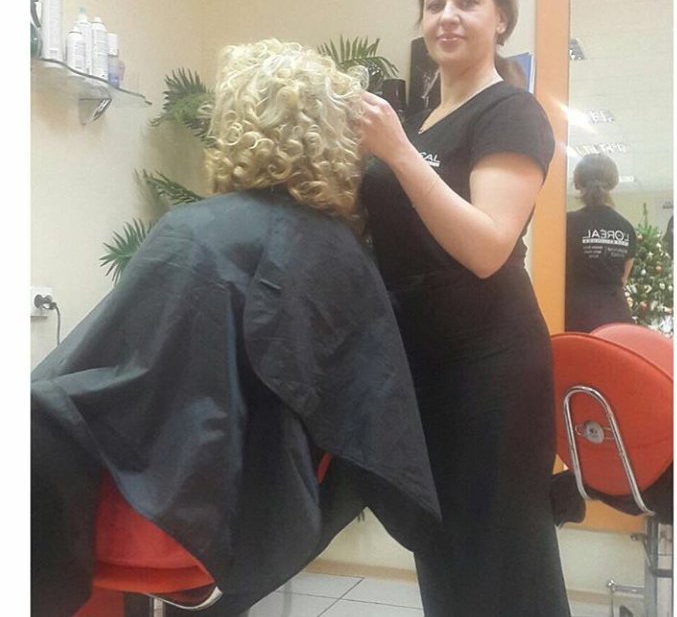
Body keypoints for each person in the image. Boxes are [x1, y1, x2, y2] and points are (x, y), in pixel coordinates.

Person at [31, 40, 440, 617]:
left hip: (139, 513)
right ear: (334, 139)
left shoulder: (190, 231)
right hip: (266, 510)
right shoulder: (342, 256)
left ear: (238, 125)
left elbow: (107, 374)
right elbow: (368, 417)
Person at [359, 0, 570, 616]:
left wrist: (395, 152)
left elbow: (485, 247)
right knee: (444, 551)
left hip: (489, 366)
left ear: (500, 17)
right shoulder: (421, 122)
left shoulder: (510, 112)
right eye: (434, 4)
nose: (447, 16)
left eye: (467, 1)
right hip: (424, 362)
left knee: (500, 560)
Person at [565, 152, 637, 332]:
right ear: (613, 183)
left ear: (577, 183)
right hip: (617, 317)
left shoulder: (566, 224)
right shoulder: (626, 227)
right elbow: (623, 279)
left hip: (576, 316)